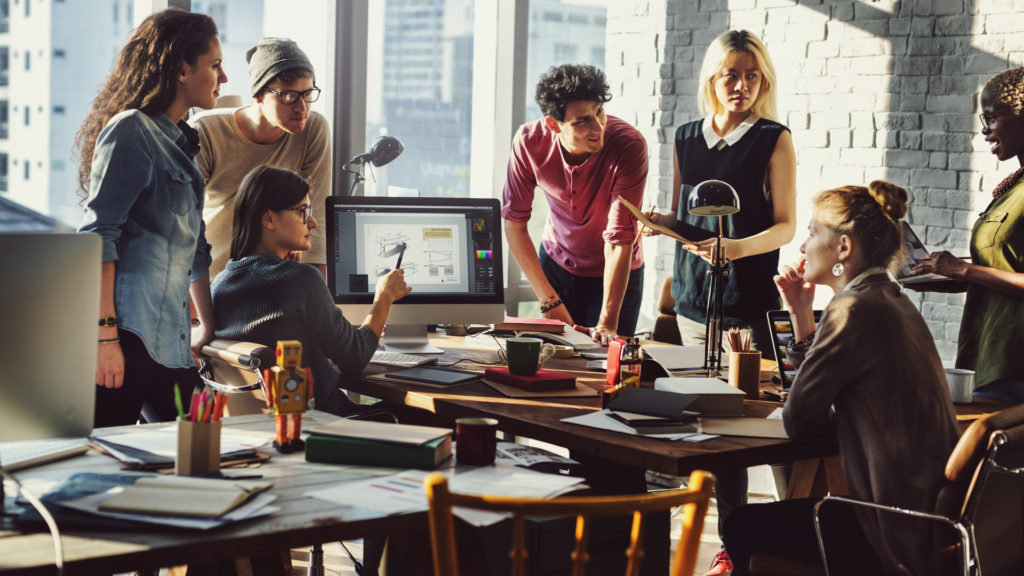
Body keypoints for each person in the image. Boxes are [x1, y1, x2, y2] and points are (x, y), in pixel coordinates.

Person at [722, 181, 960, 576]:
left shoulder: (851, 308)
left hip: (888, 527)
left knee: (740, 524)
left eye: (813, 232)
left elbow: (798, 421)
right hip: (929, 518)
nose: (802, 246)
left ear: (844, 248)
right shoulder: (891, 298)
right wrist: (801, 315)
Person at [645, 30, 796, 574]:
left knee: (749, 423)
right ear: (712, 78)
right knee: (709, 427)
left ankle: (772, 542)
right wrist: (660, 224)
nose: (742, 85)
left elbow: (785, 227)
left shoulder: (773, 138)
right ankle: (731, 549)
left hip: (747, 297)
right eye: (731, 74)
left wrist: (733, 248)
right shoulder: (686, 135)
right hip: (691, 297)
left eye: (752, 75)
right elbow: (686, 218)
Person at [76, 9, 225, 427]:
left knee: (204, 443)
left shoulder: (185, 146)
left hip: (172, 344)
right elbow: (98, 235)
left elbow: (196, 253)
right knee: (104, 467)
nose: (223, 78)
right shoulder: (131, 131)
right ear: (181, 68)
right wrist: (105, 338)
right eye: (215, 66)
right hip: (127, 339)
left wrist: (206, 328)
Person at [211, 165, 411, 416]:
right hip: (327, 427)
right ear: (269, 218)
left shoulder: (219, 284)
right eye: (303, 212)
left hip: (267, 431)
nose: (313, 223)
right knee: (430, 416)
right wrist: (384, 297)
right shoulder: (300, 279)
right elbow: (355, 358)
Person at [502, 63, 647, 344]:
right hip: (556, 264)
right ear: (553, 124)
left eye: (599, 112)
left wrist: (607, 323)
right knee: (554, 362)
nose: (598, 127)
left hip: (615, 272)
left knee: (608, 367)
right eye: (582, 120)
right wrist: (548, 301)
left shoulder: (630, 145)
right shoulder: (528, 142)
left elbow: (619, 239)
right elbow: (514, 224)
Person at [912, 67, 1024, 403]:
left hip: (1015, 364)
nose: (984, 130)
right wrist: (944, 271)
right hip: (990, 355)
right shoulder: (1014, 186)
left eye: (991, 117)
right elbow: (1006, 265)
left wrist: (965, 270)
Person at [191, 37, 331, 279]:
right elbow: (187, 226)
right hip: (213, 279)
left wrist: (316, 295)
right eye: (288, 96)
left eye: (307, 94)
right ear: (258, 96)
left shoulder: (313, 129)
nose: (302, 108)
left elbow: (315, 216)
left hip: (275, 281)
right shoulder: (206, 131)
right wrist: (196, 297)